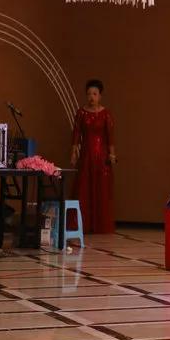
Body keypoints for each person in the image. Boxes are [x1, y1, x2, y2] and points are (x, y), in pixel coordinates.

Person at [69, 79, 116, 233]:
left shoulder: (106, 114)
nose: (91, 97)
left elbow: (110, 136)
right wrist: (73, 153)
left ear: (100, 96)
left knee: (102, 189)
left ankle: (100, 225)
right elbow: (76, 135)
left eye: (94, 94)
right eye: (89, 94)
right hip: (86, 156)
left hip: (102, 157)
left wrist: (112, 154)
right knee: (83, 188)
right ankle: (82, 224)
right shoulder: (81, 113)